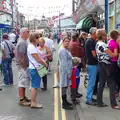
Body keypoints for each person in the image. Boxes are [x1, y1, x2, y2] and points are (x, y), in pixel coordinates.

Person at [96, 29, 120, 109]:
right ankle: (114, 104)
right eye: (105, 35)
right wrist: (115, 52)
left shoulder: (98, 43)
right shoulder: (103, 45)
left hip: (100, 65)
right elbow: (113, 55)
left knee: (101, 84)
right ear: (102, 36)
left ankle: (99, 102)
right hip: (106, 66)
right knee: (112, 84)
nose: (106, 37)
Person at [28, 32, 48, 108]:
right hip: (35, 68)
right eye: (38, 38)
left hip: (36, 68)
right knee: (34, 86)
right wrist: (45, 64)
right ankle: (33, 103)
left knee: (35, 86)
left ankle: (33, 101)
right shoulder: (32, 47)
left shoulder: (33, 46)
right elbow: (38, 59)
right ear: (34, 39)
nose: (39, 39)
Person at [15, 28, 31, 106]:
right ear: (24, 33)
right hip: (22, 66)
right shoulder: (22, 43)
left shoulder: (24, 41)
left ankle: (24, 97)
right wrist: (25, 66)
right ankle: (22, 100)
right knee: (22, 82)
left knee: (24, 82)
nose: (29, 33)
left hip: (23, 65)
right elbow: (21, 56)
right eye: (28, 32)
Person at [58, 37, 73, 110]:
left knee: (66, 85)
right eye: (66, 41)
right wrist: (68, 73)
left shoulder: (66, 49)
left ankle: (65, 101)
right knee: (64, 86)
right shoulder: (62, 50)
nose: (67, 42)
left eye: (68, 41)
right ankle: (64, 103)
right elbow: (64, 63)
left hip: (66, 70)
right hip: (65, 71)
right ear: (63, 42)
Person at [85, 27, 98, 105]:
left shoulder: (92, 41)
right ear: (94, 33)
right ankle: (88, 99)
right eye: (97, 32)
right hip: (92, 64)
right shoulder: (90, 41)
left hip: (92, 64)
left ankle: (90, 97)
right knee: (91, 82)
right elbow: (94, 54)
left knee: (92, 82)